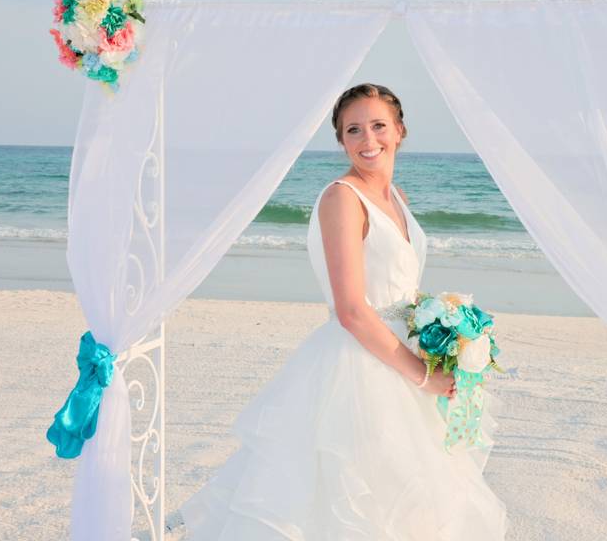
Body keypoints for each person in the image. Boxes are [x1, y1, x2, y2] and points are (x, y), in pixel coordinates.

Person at [179, 83, 507, 539]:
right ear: (341, 141)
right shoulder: (341, 198)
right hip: (361, 367)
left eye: (377, 126)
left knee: (416, 503)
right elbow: (352, 309)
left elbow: (401, 288)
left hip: (402, 353)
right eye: (353, 130)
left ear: (400, 130)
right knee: (355, 502)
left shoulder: (398, 199)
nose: (367, 139)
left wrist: (445, 332)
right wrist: (421, 374)